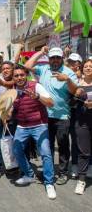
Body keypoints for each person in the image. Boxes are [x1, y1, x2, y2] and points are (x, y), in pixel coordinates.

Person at [24, 46, 78, 185]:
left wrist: (67, 80)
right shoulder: (44, 69)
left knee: (63, 145)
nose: (54, 60)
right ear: (49, 59)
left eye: (57, 57)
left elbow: (75, 91)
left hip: (62, 116)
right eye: (52, 57)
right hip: (44, 115)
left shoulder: (68, 72)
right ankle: (48, 170)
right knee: (45, 145)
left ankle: (63, 172)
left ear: (62, 58)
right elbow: (27, 65)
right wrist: (41, 52)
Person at [12, 65, 56, 200]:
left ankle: (49, 183)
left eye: (21, 75)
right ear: (13, 78)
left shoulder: (36, 86)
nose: (19, 77)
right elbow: (10, 111)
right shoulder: (12, 91)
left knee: (45, 153)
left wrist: (37, 96)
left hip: (39, 125)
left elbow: (51, 103)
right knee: (16, 150)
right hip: (22, 126)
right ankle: (29, 175)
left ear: (26, 75)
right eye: (16, 75)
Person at [73, 59, 92, 195]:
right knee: (83, 151)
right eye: (86, 66)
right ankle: (81, 180)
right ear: (82, 68)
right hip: (82, 122)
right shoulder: (77, 84)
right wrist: (76, 95)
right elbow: (70, 102)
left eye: (91, 66)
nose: (88, 68)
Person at [66, 53, 83, 178]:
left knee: (84, 139)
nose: (72, 64)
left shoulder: (85, 76)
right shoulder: (66, 76)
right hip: (71, 112)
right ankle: (75, 164)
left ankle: (87, 164)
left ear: (79, 64)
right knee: (73, 139)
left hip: (85, 112)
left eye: (75, 62)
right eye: (70, 62)